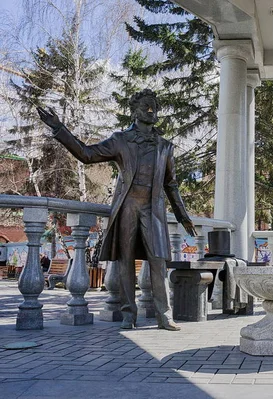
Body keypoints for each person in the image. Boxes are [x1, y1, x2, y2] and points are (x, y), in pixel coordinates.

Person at [37, 89, 197, 331]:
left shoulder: (165, 146)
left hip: (153, 209)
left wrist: (182, 215)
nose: (152, 111)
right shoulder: (120, 140)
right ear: (135, 111)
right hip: (128, 206)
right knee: (125, 262)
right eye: (146, 106)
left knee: (158, 261)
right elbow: (87, 154)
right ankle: (128, 315)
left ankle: (165, 315)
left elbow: (170, 184)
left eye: (154, 107)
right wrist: (60, 130)